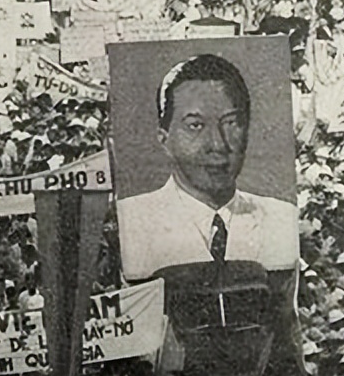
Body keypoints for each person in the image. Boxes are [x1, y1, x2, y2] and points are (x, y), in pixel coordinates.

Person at [116, 53, 299, 281]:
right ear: (165, 139)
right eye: (195, 126)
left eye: (231, 123)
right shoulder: (128, 221)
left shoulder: (283, 217)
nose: (217, 144)